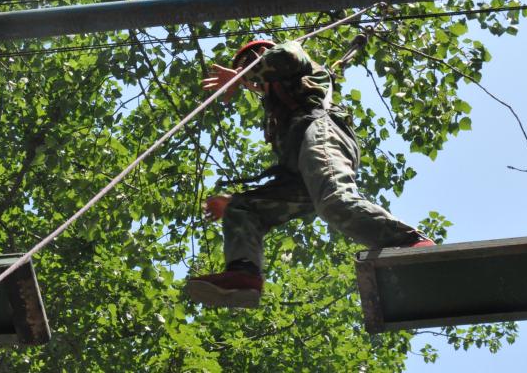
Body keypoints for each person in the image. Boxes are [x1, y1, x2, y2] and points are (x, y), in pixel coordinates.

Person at [184, 39, 432, 308]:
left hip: (320, 132)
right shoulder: (274, 108)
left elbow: (288, 55)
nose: (250, 79)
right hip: (299, 166)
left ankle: (410, 242)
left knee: (335, 202)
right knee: (243, 208)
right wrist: (233, 200)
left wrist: (244, 72)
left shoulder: (293, 62)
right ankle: (244, 273)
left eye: (249, 65)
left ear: (262, 55)